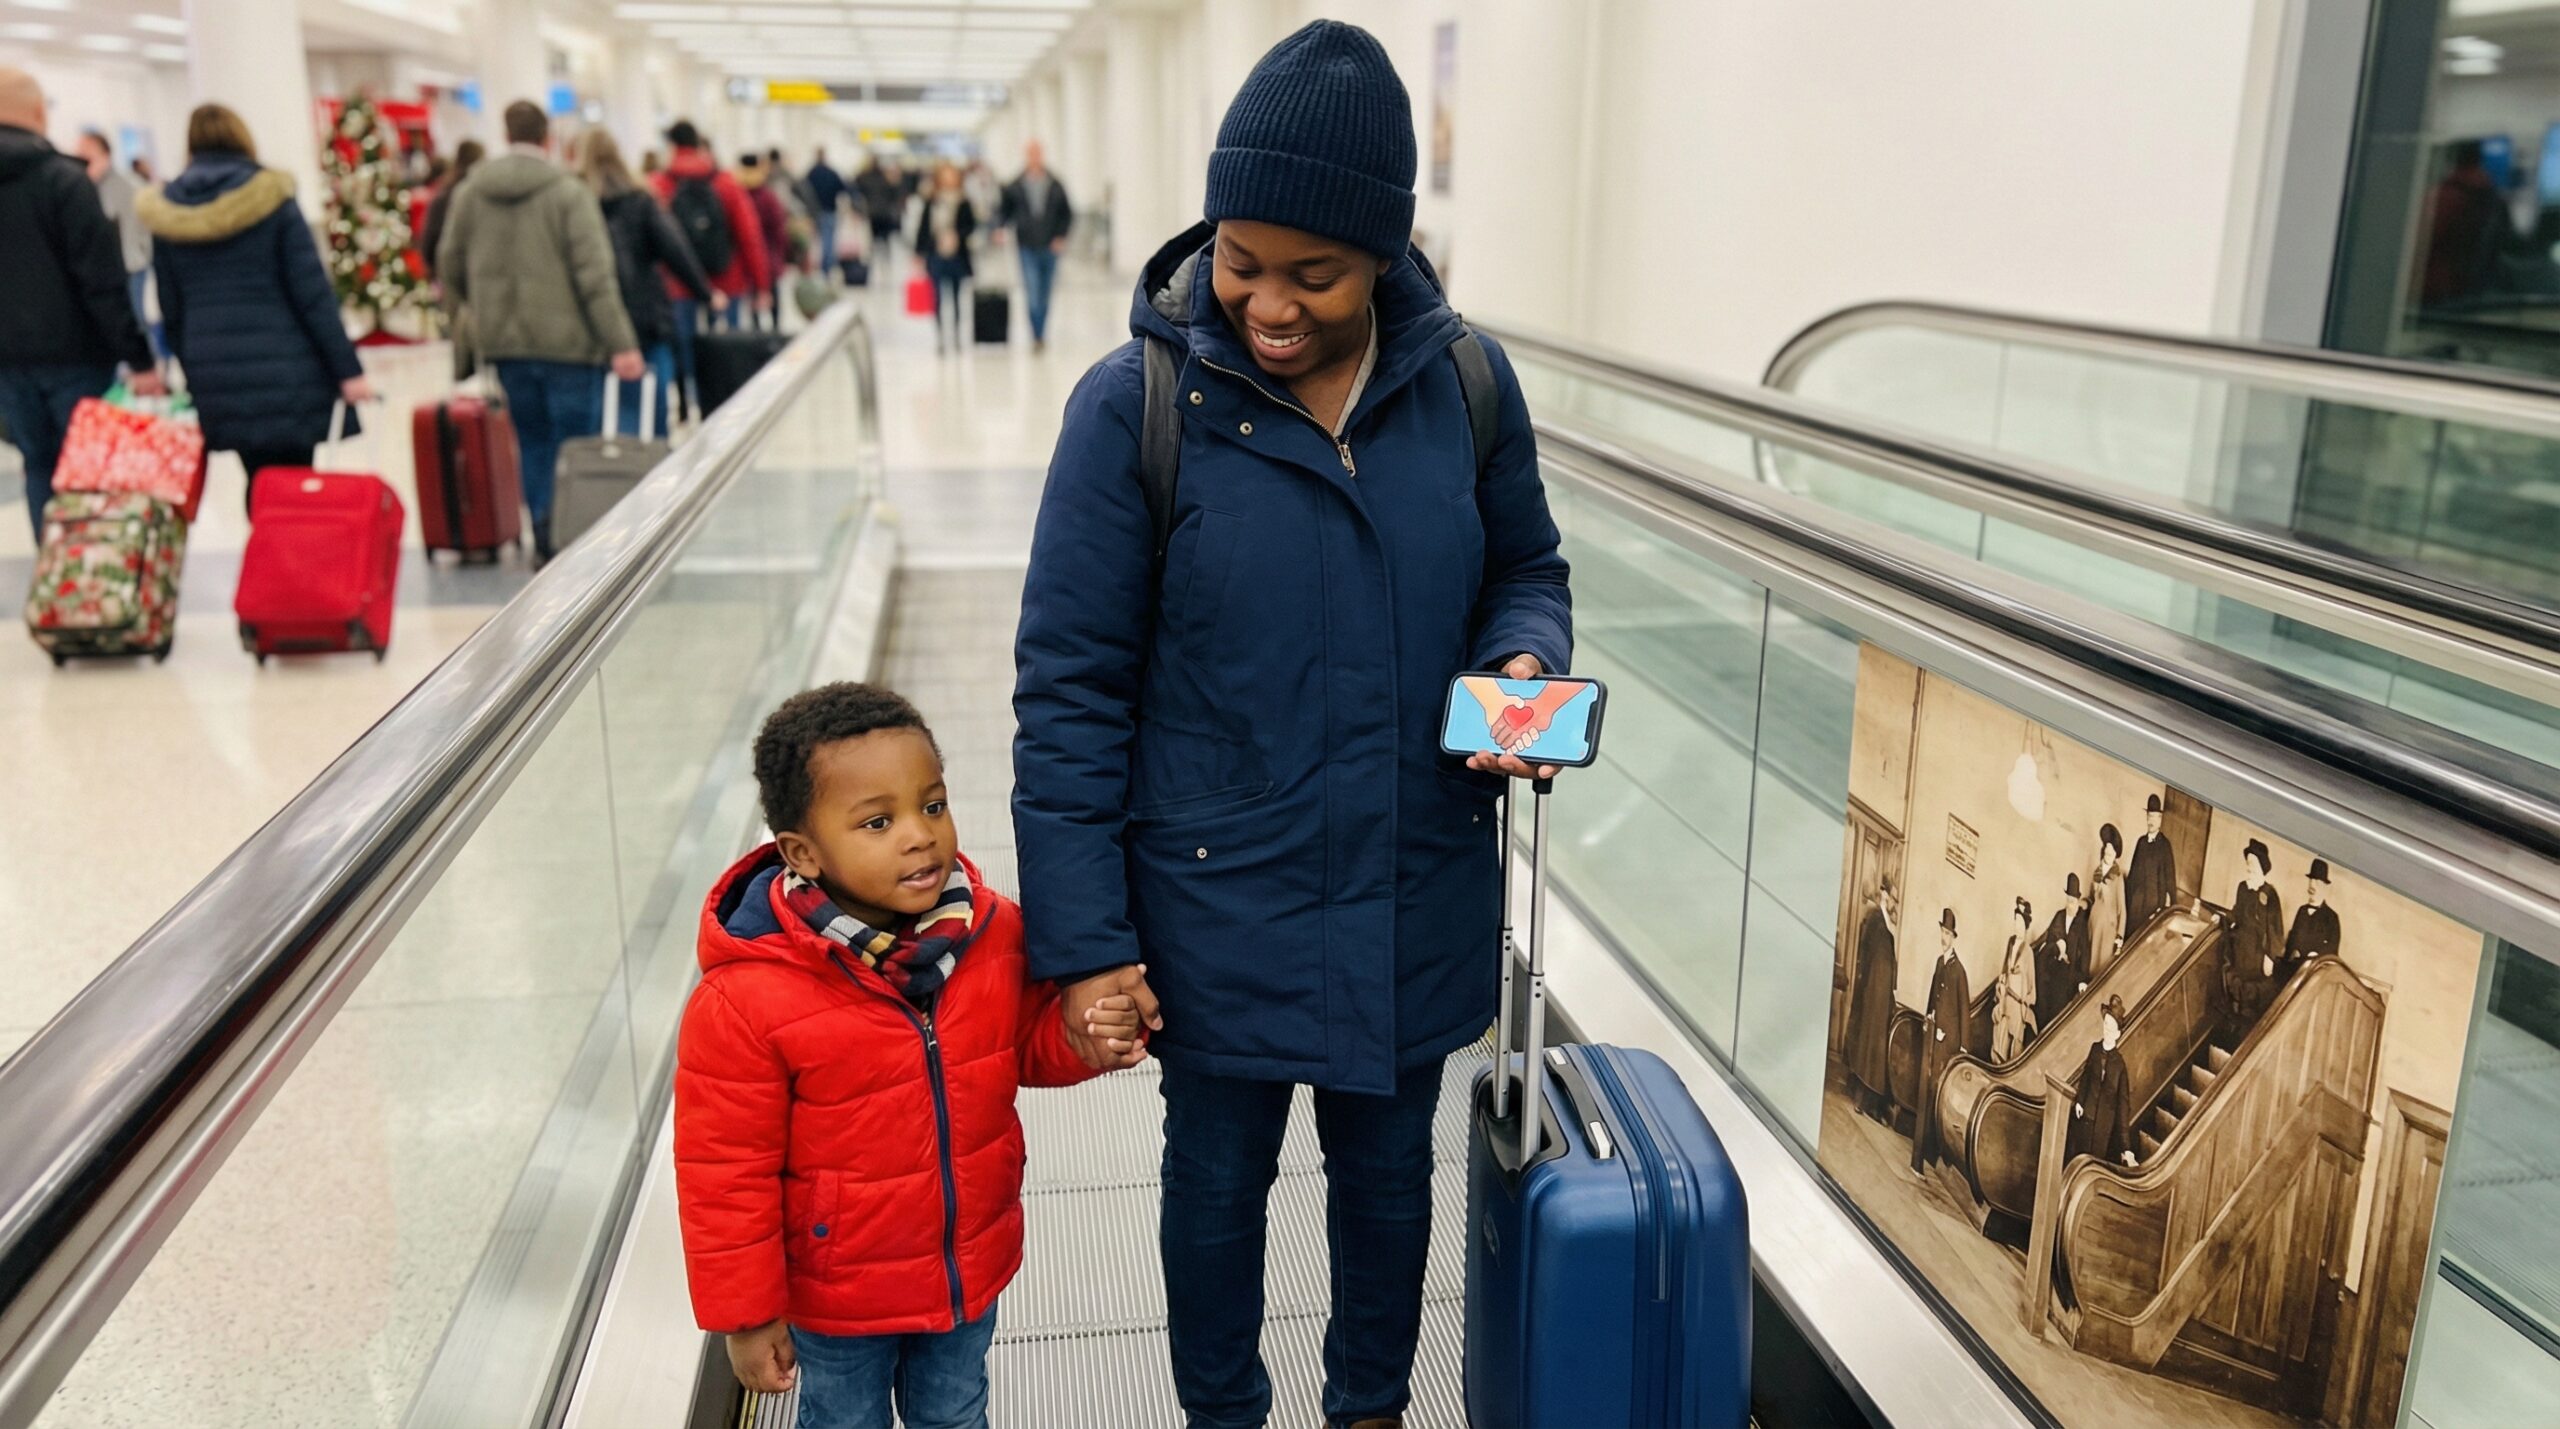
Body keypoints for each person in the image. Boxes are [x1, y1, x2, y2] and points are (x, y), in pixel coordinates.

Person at [1011, 22, 1572, 1428]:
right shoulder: (1133, 407)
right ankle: (1223, 1414)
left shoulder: (1466, 390)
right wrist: (1088, 947)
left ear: (1387, 250)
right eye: (1242, 261)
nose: (1267, 300)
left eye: (1313, 274)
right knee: (1213, 1190)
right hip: (1216, 902)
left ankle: (1369, 1410)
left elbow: (1528, 568)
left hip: (1411, 881)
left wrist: (1519, 656)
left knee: (1392, 1188)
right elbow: (1069, 691)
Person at [672, 684, 1140, 1427]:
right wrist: (747, 1314)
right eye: (878, 821)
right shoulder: (746, 1000)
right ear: (803, 852)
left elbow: (1022, 1046)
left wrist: (1087, 1038)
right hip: (837, 1295)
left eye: (932, 804)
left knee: (955, 1411)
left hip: (964, 1265)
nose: (920, 835)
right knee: (845, 1418)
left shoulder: (990, 933)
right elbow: (723, 1174)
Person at [139, 104, 374, 513]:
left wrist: (191, 368)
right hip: (286, 365)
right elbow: (311, 294)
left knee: (258, 476)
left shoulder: (168, 213)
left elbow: (170, 307)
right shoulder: (272, 197)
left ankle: (272, 564)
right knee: (296, 479)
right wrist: (347, 370)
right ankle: (293, 570)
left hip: (214, 366)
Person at [436, 99, 642, 562]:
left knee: (530, 441)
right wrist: (622, 343)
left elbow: (448, 263)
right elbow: (594, 276)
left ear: (505, 135)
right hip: (569, 347)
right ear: (548, 139)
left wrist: (472, 316)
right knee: (575, 444)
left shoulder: (472, 192)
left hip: (505, 345)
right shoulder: (568, 193)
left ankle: (544, 536)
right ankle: (575, 540)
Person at [0, 67, 164, 540]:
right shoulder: (63, 181)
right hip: (76, 356)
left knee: (37, 466)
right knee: (86, 469)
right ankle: (89, 578)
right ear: (36, 114)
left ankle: (55, 581)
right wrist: (139, 356)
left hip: (9, 364)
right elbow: (101, 280)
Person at [576, 128, 714, 437]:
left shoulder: (576, 202)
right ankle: (654, 470)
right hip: (647, 316)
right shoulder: (640, 199)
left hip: (594, 324)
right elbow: (675, 250)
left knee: (605, 414)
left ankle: (614, 473)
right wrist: (705, 292)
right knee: (653, 408)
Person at [652, 121, 772, 415]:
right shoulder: (725, 183)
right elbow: (749, 236)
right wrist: (762, 285)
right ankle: (725, 403)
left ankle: (687, 401)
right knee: (728, 344)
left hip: (678, 284)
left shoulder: (661, 184)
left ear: (672, 146)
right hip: (727, 280)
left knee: (684, 345)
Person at [76, 130, 155, 360]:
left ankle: (146, 372)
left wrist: (141, 254)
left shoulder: (127, 186)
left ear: (105, 155)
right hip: (104, 271)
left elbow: (142, 227)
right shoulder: (83, 188)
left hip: (130, 267)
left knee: (135, 324)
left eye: (86, 155)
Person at [998, 140, 1074, 352]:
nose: (1034, 157)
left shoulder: (1055, 184)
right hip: (1026, 246)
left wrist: (1061, 236)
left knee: (1045, 293)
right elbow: (1005, 211)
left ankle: (1041, 331)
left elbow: (1067, 214)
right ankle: (1036, 335)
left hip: (1050, 247)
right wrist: (1000, 228)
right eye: (1030, 153)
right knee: (1032, 293)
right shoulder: (1015, 185)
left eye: (1037, 153)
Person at [1913, 907, 1968, 1174]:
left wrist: (1956, 1043)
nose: (1943, 937)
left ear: (1954, 937)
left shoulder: (1959, 971)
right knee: (1927, 1089)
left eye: (1948, 933)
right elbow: (1934, 996)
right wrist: (1928, 1018)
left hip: (1947, 1044)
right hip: (1932, 1039)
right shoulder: (1939, 962)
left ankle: (1931, 1156)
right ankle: (1922, 1151)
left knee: (1937, 1095)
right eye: (1942, 932)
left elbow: (1963, 1013)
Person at [2422, 140, 2507, 307]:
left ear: (2452, 157)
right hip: (2478, 290)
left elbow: (2420, 242)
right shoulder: (2494, 197)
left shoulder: (2445, 196)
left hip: (2436, 287)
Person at [1843, 873, 1899, 1123]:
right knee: (1867, 1048)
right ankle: (1860, 1099)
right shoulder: (1875, 917)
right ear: (1884, 895)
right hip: (1871, 996)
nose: (1893, 903)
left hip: (1882, 998)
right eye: (1891, 897)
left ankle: (1871, 1103)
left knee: (1876, 1050)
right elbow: (1866, 956)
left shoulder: (1889, 923)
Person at [913, 159, 976, 354]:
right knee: (938, 297)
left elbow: (971, 226)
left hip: (957, 255)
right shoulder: (932, 201)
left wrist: (957, 236)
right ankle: (941, 336)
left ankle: (956, 334)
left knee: (957, 296)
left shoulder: (963, 201)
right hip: (936, 255)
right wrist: (919, 252)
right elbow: (923, 228)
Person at [2067, 996, 2135, 1170]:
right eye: (2105, 1025)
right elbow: (2086, 1077)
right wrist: (2080, 1102)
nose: (2107, 1030)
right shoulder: (2095, 1049)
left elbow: (2123, 1106)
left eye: (2111, 1027)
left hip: (2104, 1127)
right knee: (2078, 1158)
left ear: (2118, 1033)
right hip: (2086, 1116)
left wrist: (2126, 1147)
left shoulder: (2120, 1065)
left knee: (2093, 1165)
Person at [2224, 839, 2285, 1024]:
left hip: (2257, 955)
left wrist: (2270, 957)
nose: (2248, 867)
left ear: (2261, 866)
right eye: (2247, 863)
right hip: (2240, 949)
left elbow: (2276, 929)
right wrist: (2223, 919)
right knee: (2237, 988)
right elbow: (2236, 912)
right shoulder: (2243, 888)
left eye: (2252, 863)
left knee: (2252, 996)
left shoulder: (2270, 893)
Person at [735, 152, 790, 330]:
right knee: (772, 293)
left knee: (752, 298)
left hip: (745, 257)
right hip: (769, 254)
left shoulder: (738, 193)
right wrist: (781, 255)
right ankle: (775, 328)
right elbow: (779, 229)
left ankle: (756, 330)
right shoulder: (767, 196)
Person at [417, 137, 482, 284]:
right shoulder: (482, 196)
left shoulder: (444, 194)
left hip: (445, 273)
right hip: (475, 274)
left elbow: (430, 236)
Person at [2035, 871, 2091, 1033]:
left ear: (2078, 901)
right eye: (2067, 901)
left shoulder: (2081, 924)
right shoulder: (2059, 916)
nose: (2069, 905)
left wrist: (2083, 979)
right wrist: (2057, 942)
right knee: (2045, 1009)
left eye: (2072, 902)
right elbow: (2049, 939)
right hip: (2052, 973)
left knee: (2059, 1013)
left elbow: (2085, 954)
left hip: (2068, 977)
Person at [2280, 857, 2342, 987]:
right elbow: (2292, 939)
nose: (2312, 886)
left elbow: (2332, 951)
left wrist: (2315, 956)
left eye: (2317, 883)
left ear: (2325, 888)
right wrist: (2292, 951)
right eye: (2311, 881)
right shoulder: (2301, 911)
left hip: (2314, 977)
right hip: (2293, 972)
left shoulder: (2331, 918)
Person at [1990, 895, 2037, 1062]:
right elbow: (2004, 970)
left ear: (2025, 926)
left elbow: (2032, 990)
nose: (2017, 926)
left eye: (2020, 923)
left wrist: (2024, 1001)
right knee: (1999, 1044)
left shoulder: (2029, 953)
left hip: (2017, 1007)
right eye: (2015, 921)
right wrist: (2001, 986)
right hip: (2004, 1002)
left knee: (2013, 1050)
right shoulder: (2010, 943)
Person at [2124, 793, 2178, 928]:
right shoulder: (2141, 842)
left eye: (2154, 817)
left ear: (2160, 820)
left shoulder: (2165, 845)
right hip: (2136, 904)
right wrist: (2127, 900)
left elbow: (2170, 877)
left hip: (2153, 904)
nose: (2151, 821)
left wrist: (2172, 904)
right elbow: (2132, 873)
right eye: (2149, 816)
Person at [2086, 823, 2126, 976]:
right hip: (2094, 925)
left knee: (2102, 966)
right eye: (2107, 849)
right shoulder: (2097, 873)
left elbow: (2122, 909)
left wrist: (2119, 935)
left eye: (2112, 850)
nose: (2109, 852)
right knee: (2091, 962)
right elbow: (2092, 898)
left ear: (2116, 854)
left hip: (2109, 929)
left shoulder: (2118, 877)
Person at [804, 145, 846, 282]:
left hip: (814, 212)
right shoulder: (831, 172)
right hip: (829, 211)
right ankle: (826, 269)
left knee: (814, 243)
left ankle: (814, 268)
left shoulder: (811, 173)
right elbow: (842, 187)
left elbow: (802, 190)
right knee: (828, 242)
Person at [855, 152, 903, 268]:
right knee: (885, 239)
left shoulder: (865, 177)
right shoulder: (885, 178)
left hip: (872, 212)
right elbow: (893, 194)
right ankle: (885, 261)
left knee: (873, 238)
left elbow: (858, 190)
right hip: (884, 213)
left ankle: (874, 260)